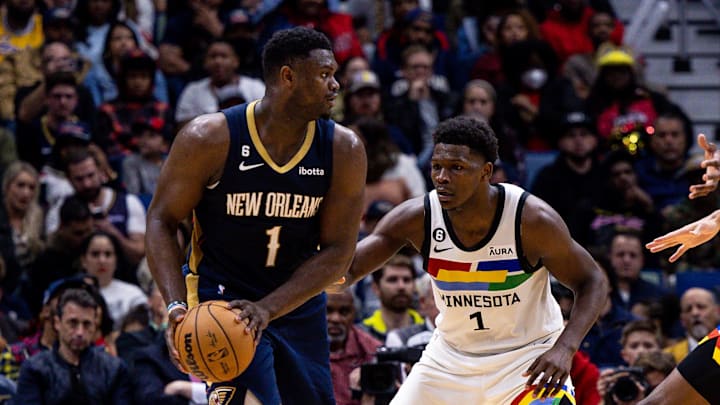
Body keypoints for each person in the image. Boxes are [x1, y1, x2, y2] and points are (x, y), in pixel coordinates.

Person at [146, 27, 366, 405]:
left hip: (297, 303)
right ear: (288, 77)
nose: (336, 85)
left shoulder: (343, 148)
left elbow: (338, 253)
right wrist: (175, 305)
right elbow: (161, 221)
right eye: (325, 74)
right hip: (223, 301)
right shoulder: (210, 137)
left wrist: (268, 308)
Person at [336, 116, 608, 403]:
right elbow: (348, 271)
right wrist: (313, 277)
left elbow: (592, 280)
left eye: (457, 168)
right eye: (437, 167)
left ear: (486, 172)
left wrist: (565, 347)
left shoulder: (531, 220)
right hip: (449, 361)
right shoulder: (417, 218)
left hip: (527, 359)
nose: (442, 177)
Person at [14, 288, 133, 404]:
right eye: (73, 323)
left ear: (95, 326)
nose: (80, 332)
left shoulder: (114, 369)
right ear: (57, 323)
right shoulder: (34, 369)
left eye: (87, 324)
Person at [327, 289, 382, 405]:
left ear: (354, 314)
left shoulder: (372, 349)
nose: (335, 319)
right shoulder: (298, 349)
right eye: (327, 311)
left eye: (344, 312)